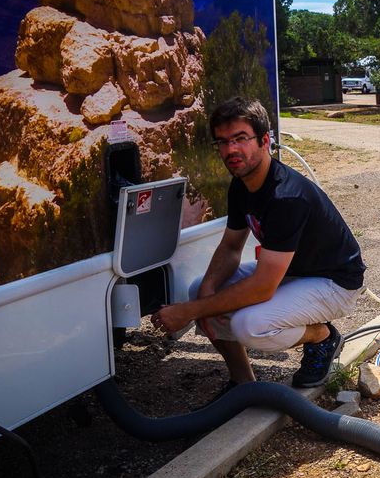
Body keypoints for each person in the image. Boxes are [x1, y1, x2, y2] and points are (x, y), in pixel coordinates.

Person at [151, 97, 365, 391]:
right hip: (293, 272)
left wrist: (192, 311)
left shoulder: (286, 196)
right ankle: (243, 382)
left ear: (264, 141)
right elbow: (230, 248)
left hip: (333, 282)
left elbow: (263, 286)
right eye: (223, 142)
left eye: (240, 139)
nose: (231, 150)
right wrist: (205, 293)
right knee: (198, 288)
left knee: (249, 325)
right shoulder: (242, 184)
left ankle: (322, 336)